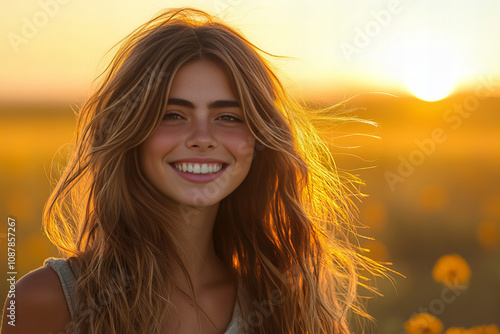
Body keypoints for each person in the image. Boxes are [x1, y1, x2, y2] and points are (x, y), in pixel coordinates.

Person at [2, 7, 384, 334]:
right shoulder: (48, 302)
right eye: (172, 114)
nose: (202, 137)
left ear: (259, 140)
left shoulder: (285, 303)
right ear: (130, 131)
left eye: (228, 116)